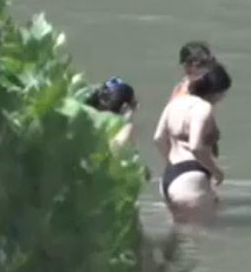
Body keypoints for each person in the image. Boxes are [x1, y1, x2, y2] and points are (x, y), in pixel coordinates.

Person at [153, 61, 231, 223]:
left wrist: (170, 162)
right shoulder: (202, 108)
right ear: (217, 90)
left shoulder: (174, 103)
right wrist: (217, 172)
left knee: (180, 236)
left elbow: (158, 138)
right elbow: (196, 146)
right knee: (201, 239)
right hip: (191, 177)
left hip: (169, 177)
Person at [86, 77, 138, 150]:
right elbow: (113, 153)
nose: (138, 107)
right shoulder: (124, 132)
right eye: (134, 104)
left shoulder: (82, 121)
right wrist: (125, 124)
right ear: (124, 108)